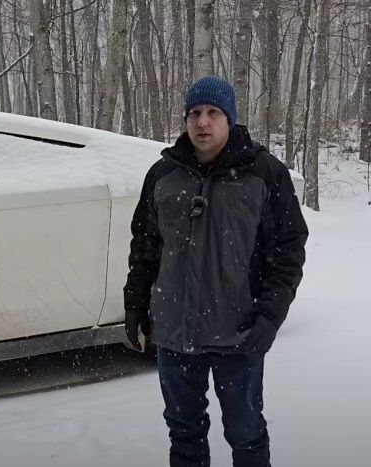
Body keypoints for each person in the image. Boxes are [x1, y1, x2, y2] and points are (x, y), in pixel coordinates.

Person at [123, 76, 309, 467]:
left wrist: (270, 315)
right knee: (184, 432)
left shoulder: (265, 174)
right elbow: (144, 247)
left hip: (238, 333)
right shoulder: (163, 175)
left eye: (212, 113)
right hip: (175, 332)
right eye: (194, 113)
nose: (202, 122)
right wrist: (137, 306)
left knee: (246, 433)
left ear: (230, 119)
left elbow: (288, 250)